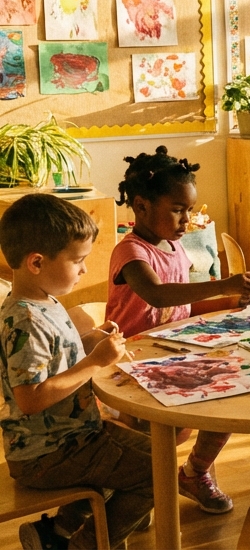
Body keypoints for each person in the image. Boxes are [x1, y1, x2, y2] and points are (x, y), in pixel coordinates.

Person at [106, 146, 250, 514]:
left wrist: (227, 302)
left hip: (174, 355)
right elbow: (158, 296)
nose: (186, 220)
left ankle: (194, 472)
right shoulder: (130, 252)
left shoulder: (176, 248)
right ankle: (132, 494)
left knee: (228, 398)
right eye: (177, 209)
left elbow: (182, 307)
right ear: (141, 206)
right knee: (152, 444)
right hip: (132, 365)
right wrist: (223, 285)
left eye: (188, 209)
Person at [0, 195, 152, 550]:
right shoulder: (25, 319)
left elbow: (53, 358)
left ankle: (56, 532)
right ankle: (85, 545)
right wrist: (95, 362)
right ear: (37, 262)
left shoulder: (44, 301)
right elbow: (31, 398)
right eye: (78, 260)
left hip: (69, 440)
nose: (84, 270)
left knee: (150, 453)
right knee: (154, 472)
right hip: (47, 454)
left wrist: (86, 341)